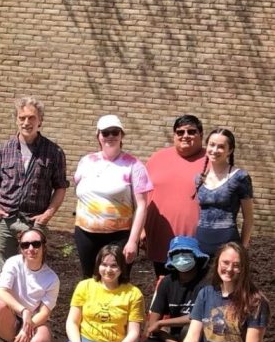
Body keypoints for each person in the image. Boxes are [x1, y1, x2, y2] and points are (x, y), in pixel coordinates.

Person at [0, 96, 68, 270]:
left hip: (34, 221)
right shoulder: (4, 149)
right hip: (5, 220)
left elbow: (60, 187)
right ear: (16, 120)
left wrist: (47, 215)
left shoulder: (54, 152)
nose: (26, 122)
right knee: (5, 272)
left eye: (31, 118)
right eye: (22, 118)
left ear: (40, 120)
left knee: (33, 271)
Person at [72, 115, 152, 276]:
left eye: (115, 132)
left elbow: (142, 206)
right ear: (98, 136)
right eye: (105, 133)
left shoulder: (134, 165)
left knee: (117, 280)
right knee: (89, 280)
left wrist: (133, 241)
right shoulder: (86, 161)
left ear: (121, 135)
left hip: (119, 235)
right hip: (85, 233)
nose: (110, 137)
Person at [63, 244, 145, 342]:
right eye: (104, 264)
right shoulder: (85, 286)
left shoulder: (134, 293)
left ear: (122, 268)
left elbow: (134, 333)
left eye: (114, 266)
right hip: (87, 341)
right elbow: (72, 322)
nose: (108, 270)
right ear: (98, 265)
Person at [136, 236, 208, 342]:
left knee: (186, 330)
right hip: (173, 341)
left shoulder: (205, 284)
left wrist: (163, 324)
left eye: (186, 253)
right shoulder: (167, 282)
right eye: (177, 253)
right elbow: (151, 325)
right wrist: (165, 335)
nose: (182, 258)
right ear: (171, 258)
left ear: (196, 256)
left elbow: (197, 319)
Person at [144, 115, 206, 276]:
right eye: (180, 132)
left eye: (191, 132)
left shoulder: (210, 161)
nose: (185, 136)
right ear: (174, 135)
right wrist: (141, 230)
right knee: (163, 285)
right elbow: (145, 195)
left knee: (194, 290)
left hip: (198, 243)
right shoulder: (157, 158)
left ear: (201, 135)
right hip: (160, 240)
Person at [194, 128, 253, 258]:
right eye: (212, 145)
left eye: (221, 147)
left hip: (228, 245)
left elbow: (248, 219)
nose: (214, 150)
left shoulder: (240, 177)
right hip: (201, 243)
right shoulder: (199, 178)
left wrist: (242, 249)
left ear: (230, 150)